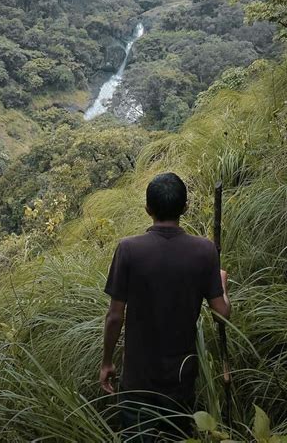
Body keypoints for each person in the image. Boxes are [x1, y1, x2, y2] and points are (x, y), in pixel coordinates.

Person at [99, 172, 231, 441]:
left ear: (148, 209)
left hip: (138, 378)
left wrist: (107, 361)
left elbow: (115, 316)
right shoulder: (205, 251)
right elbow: (222, 314)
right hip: (180, 379)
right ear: (185, 207)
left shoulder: (128, 250)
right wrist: (223, 284)